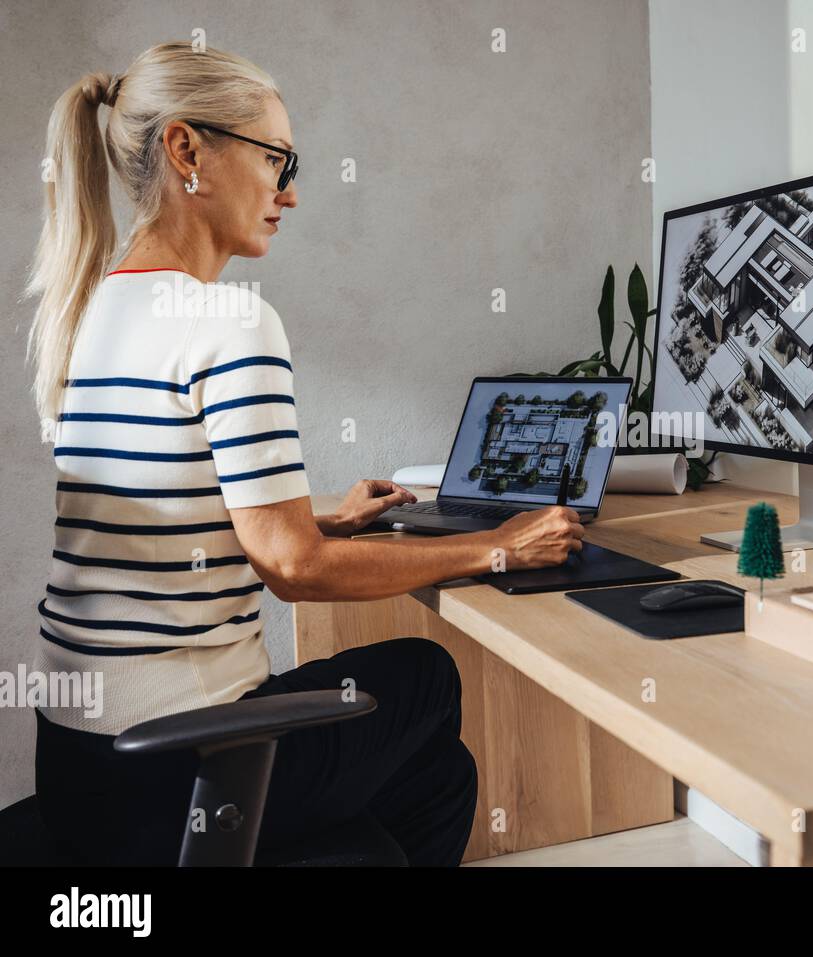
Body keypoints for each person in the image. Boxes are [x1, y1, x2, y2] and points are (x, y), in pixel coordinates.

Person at [25, 42, 583, 866]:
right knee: (428, 678)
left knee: (437, 771)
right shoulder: (228, 320)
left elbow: (166, 495)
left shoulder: (92, 306)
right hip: (180, 766)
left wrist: (318, 506)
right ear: (188, 151)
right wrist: (497, 548)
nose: (289, 191)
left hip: (78, 764)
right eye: (277, 158)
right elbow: (293, 568)